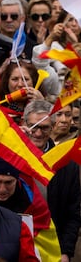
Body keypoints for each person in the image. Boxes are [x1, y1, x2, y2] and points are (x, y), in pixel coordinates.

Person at [21, 100, 81, 261]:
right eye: (34, 126)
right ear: (24, 123)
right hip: (16, 243)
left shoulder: (67, 165)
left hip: (52, 247)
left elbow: (73, 213)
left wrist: (65, 251)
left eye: (44, 127)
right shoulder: (11, 156)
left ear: (53, 126)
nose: (38, 133)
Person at [0, 152, 61, 261]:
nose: (2, 189)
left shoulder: (35, 205)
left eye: (8, 182)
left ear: (17, 180)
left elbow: (47, 252)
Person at [0, 59, 44, 123]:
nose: (20, 84)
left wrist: (41, 105)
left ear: (34, 82)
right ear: (7, 82)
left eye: (25, 79)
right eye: (15, 79)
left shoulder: (44, 105)